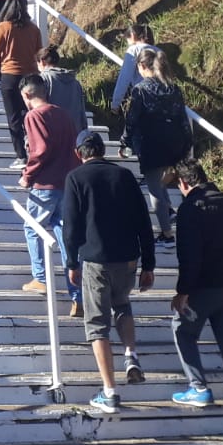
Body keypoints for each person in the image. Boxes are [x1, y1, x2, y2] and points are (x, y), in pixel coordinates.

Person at [64, 130, 154, 415]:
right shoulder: (125, 177)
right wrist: (149, 264)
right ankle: (131, 354)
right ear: (103, 149)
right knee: (123, 305)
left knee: (97, 323)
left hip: (96, 259)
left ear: (79, 153)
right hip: (128, 258)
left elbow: (71, 227)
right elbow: (143, 221)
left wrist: (71, 262)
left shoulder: (76, 178)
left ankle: (110, 391)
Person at [169, 161, 223, 439]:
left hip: (207, 287)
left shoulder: (190, 208)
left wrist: (183, 292)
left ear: (183, 184)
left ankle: (198, 387)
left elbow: (189, 254)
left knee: (182, 329)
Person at [18, 76, 80, 313]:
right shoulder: (63, 114)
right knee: (65, 237)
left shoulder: (34, 116)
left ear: (26, 95)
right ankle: (78, 297)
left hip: (45, 184)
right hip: (68, 182)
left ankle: (41, 278)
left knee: (32, 227)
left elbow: (40, 150)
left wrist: (27, 175)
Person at [121, 47, 193, 244]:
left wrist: (125, 141)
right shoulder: (173, 88)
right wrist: (187, 144)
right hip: (176, 142)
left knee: (154, 188)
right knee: (169, 185)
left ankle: (167, 233)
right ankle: (176, 216)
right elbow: (183, 119)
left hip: (152, 144)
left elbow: (132, 120)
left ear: (143, 66)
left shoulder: (141, 90)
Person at [0, 0, 42, 169]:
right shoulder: (34, 29)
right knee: (31, 114)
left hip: (10, 77)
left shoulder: (3, 27)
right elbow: (39, 54)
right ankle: (36, 148)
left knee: (13, 117)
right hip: (30, 77)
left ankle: (21, 156)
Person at [109, 23, 155, 149]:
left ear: (133, 35)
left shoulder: (134, 50)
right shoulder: (159, 51)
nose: (128, 43)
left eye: (127, 39)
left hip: (142, 99)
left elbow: (124, 78)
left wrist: (115, 103)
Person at [37, 46, 88, 135]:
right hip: (74, 132)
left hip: (52, 133)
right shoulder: (75, 82)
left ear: (42, 61)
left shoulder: (43, 79)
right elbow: (81, 111)